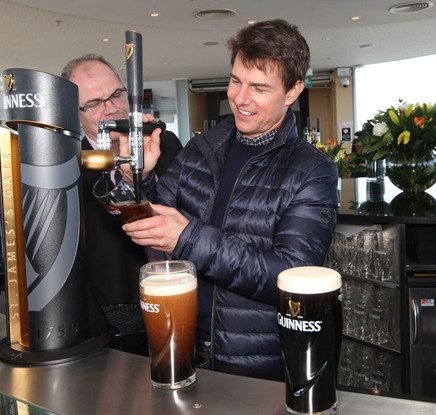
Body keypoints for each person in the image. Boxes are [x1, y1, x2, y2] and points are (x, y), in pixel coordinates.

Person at [122, 19, 338, 380]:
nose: (239, 97)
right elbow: (154, 222)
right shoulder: (204, 147)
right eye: (236, 80)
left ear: (292, 91)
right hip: (181, 343)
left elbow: (290, 277)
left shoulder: (312, 171)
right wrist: (140, 176)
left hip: (252, 362)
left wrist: (187, 236)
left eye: (259, 87)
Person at [61, 54, 183, 306]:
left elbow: (189, 215)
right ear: (75, 113)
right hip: (112, 309)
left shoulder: (166, 143)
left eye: (116, 94)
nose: (111, 108)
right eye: (94, 103)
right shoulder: (68, 167)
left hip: (176, 288)